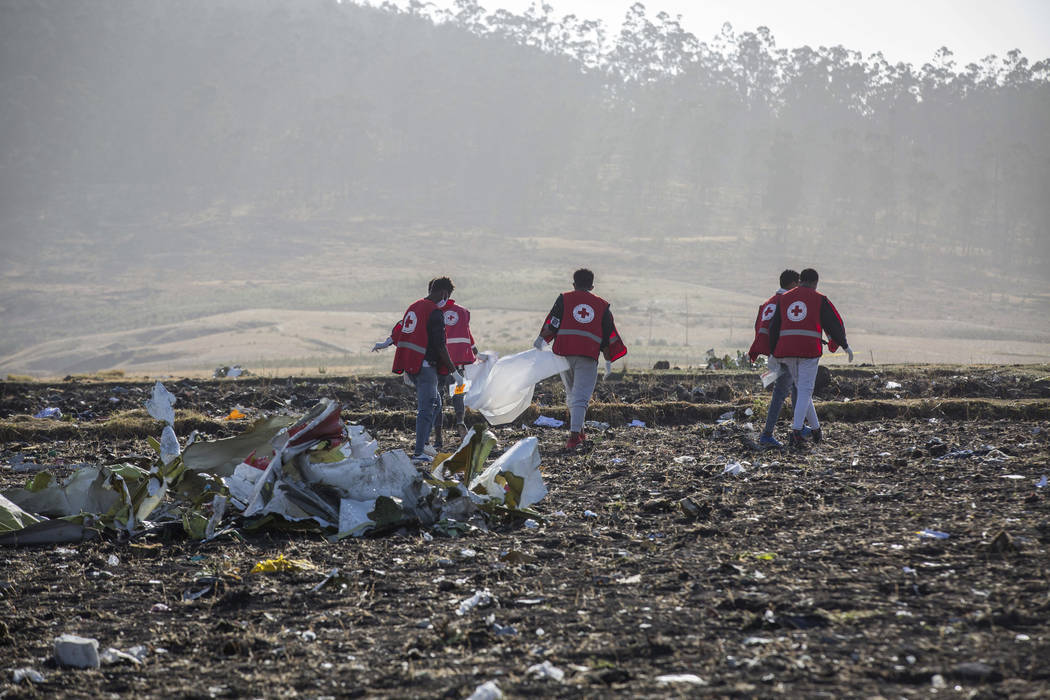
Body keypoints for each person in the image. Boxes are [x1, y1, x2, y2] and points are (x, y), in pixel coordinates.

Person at [374, 281, 480, 449]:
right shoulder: (460, 312)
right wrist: (476, 353)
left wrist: (387, 342)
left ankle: (437, 437)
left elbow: (404, 327)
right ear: (446, 294)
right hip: (453, 365)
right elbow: (467, 337)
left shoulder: (419, 307)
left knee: (436, 400)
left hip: (437, 366)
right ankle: (459, 421)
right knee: (453, 395)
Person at [534, 269, 627, 450]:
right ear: (592, 286)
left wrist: (541, 340)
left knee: (572, 394)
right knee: (581, 397)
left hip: (564, 353)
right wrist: (608, 361)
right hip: (587, 354)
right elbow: (608, 334)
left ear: (574, 284)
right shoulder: (602, 305)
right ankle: (574, 437)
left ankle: (580, 430)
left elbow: (553, 321)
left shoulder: (564, 298)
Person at [769, 268, 852, 449]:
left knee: (802, 390)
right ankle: (796, 431)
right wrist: (844, 345)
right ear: (815, 283)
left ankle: (816, 429)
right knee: (806, 390)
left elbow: (774, 326)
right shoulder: (819, 298)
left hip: (787, 351)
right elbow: (833, 323)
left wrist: (772, 352)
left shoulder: (784, 299)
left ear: (801, 280)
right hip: (808, 351)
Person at [748, 269, 801, 449]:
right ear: (793, 283)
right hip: (784, 353)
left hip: (775, 353)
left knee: (795, 388)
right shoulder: (786, 301)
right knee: (784, 392)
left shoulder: (768, 302)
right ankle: (768, 434)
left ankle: (799, 427)